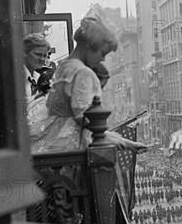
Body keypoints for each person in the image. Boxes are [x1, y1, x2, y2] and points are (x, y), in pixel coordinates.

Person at [29, 16, 146, 154]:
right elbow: (85, 118)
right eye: (102, 53)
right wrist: (121, 141)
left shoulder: (65, 66)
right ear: (90, 45)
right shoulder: (82, 72)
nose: (102, 59)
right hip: (65, 147)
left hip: (47, 141)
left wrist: (122, 140)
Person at [22, 33, 51, 104]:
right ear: (24, 53)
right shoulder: (16, 77)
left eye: (45, 56)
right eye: (38, 54)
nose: (42, 59)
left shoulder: (38, 77)